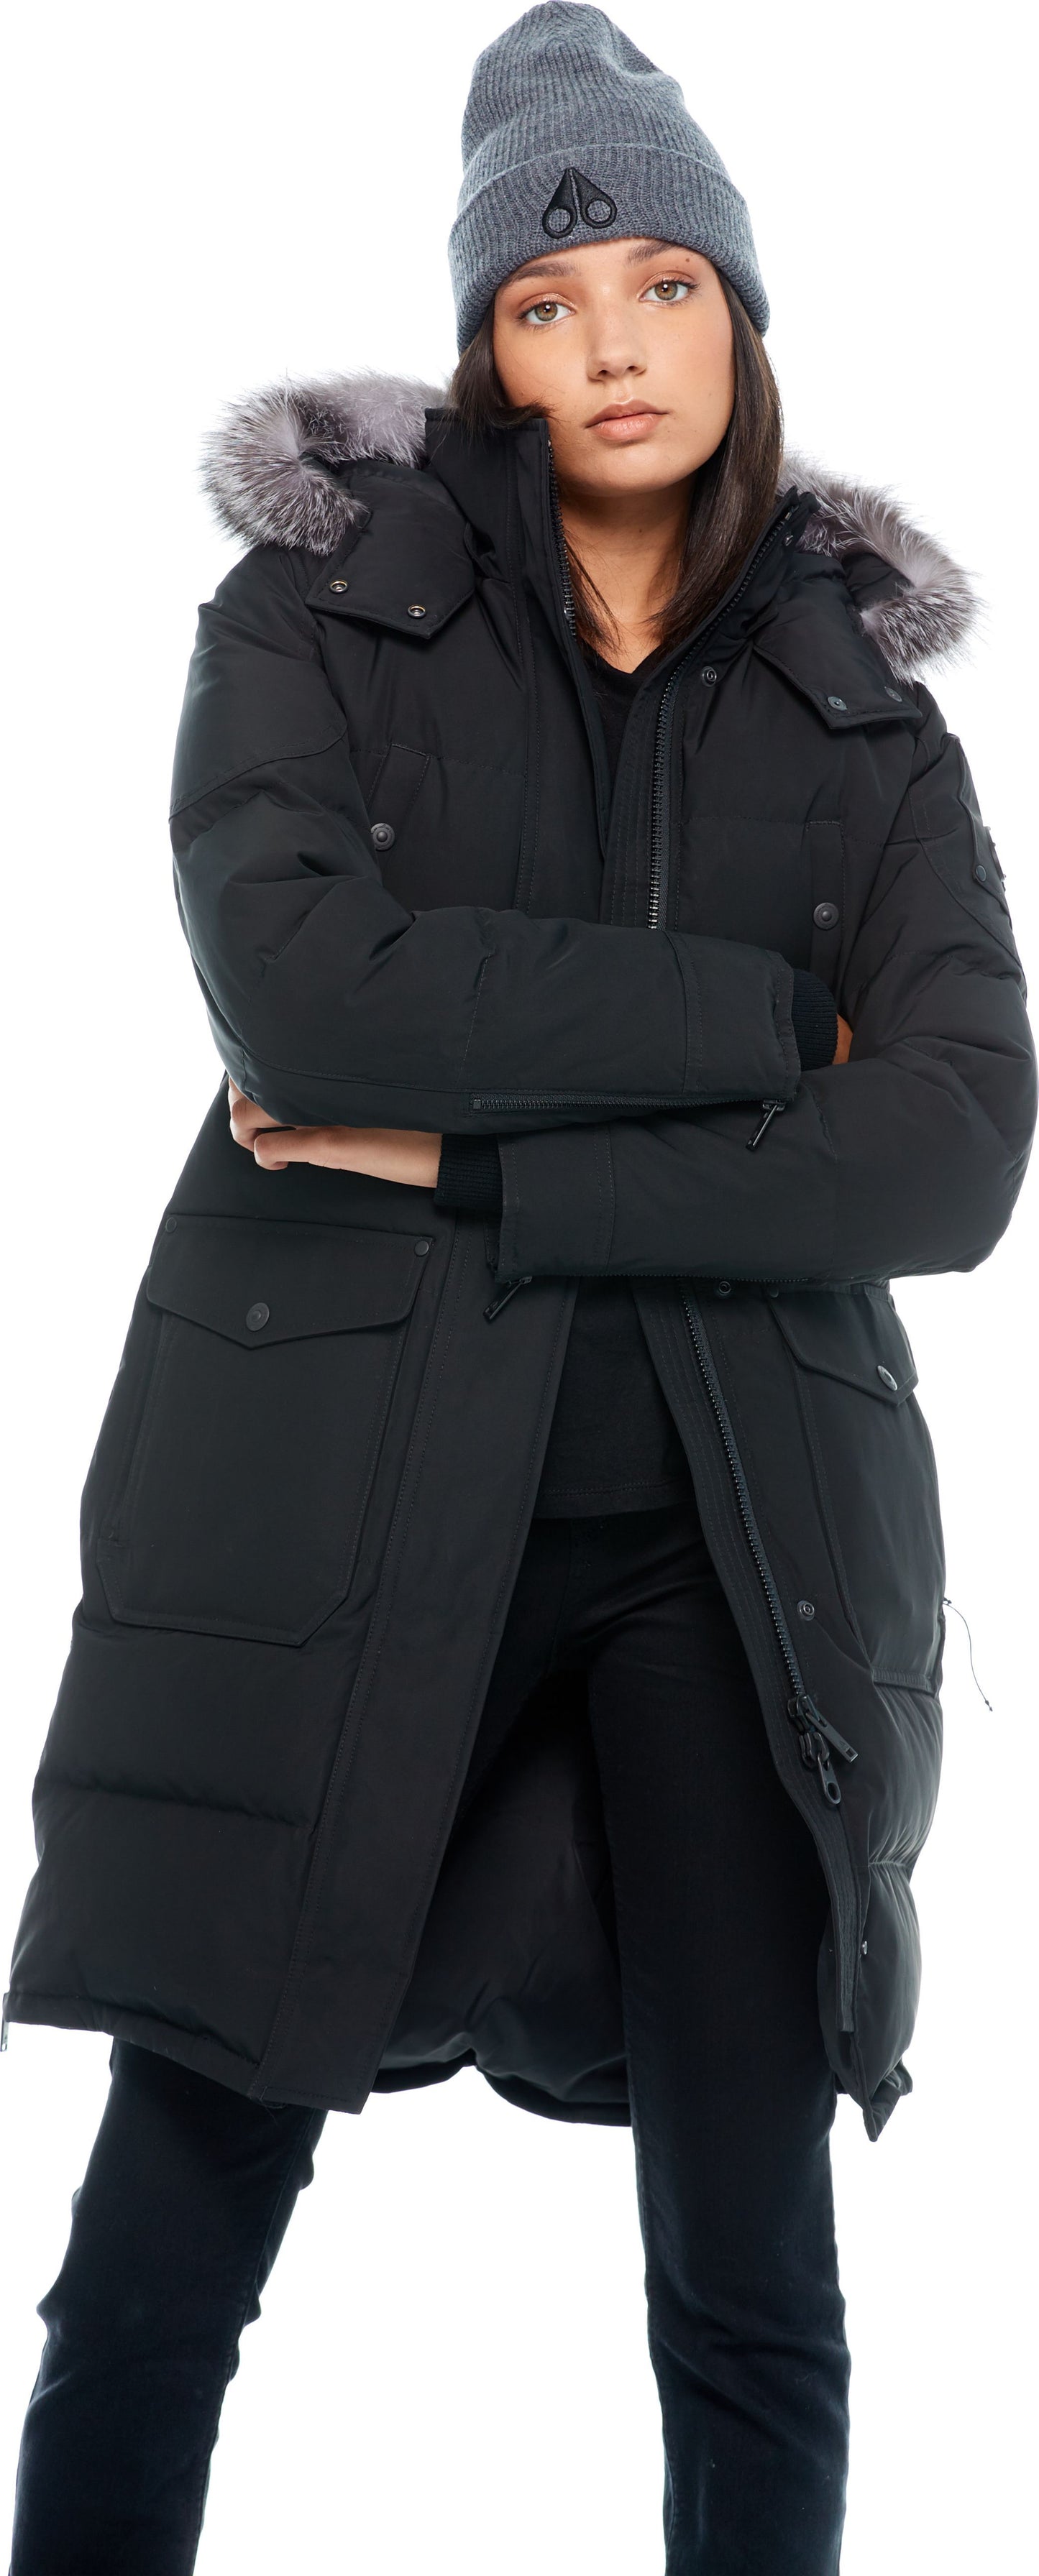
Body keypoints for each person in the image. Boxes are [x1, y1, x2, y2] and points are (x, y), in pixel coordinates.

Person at [6, 6, 1035, 2570]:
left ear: (740, 318)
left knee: (753, 2283)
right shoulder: (320, 611)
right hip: (340, 1507)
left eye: (666, 284)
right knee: (167, 2240)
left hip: (732, 1539)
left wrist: (482, 1154)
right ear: (488, 340)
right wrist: (755, 1033)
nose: (614, 347)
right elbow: (307, 1001)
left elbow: (953, 1148)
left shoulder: (861, 709)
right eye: (550, 299)